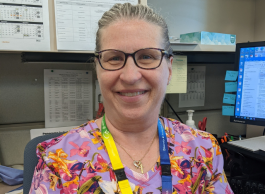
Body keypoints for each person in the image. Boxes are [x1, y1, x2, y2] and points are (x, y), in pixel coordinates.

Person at [29, 3, 233, 194]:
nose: (130, 76)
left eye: (147, 56)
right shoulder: (57, 161)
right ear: (97, 68)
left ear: (169, 69)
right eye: (114, 58)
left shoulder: (204, 151)